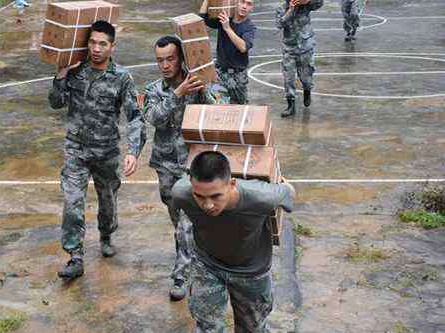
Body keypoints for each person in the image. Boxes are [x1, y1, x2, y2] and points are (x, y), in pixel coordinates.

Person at [48, 20, 146, 280]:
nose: (96, 48)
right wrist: (60, 75)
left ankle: (106, 234)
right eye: (92, 42)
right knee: (72, 202)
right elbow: (56, 103)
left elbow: (135, 116)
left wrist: (132, 151)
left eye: (102, 43)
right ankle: (75, 256)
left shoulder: (122, 78)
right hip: (76, 149)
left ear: (112, 47)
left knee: (108, 200)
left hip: (106, 152)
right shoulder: (75, 71)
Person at [172, 151, 296, 332]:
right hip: (208, 265)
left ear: (231, 184)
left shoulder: (261, 197)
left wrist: (284, 184)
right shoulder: (181, 193)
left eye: (216, 196)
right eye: (200, 196)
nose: (208, 205)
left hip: (251, 271)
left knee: (252, 328)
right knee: (207, 327)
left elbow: (289, 193)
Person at [143, 36, 217, 301]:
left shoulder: (196, 85)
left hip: (192, 166)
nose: (164, 65)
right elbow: (153, 119)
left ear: (181, 58)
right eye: (160, 60)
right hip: (165, 166)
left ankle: (181, 275)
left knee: (187, 225)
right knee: (179, 224)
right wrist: (177, 94)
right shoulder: (154, 89)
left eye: (170, 59)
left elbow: (216, 112)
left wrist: (203, 89)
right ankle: (189, 259)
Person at [199, 0, 257, 105]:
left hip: (238, 76)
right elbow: (202, 18)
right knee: (219, 106)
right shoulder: (225, 19)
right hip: (220, 74)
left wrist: (227, 28)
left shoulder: (249, 27)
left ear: (252, 8)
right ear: (236, 2)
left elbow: (243, 47)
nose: (244, 6)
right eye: (242, 2)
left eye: (249, 4)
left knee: (240, 108)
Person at [276, 0, 324, 118]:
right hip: (289, 48)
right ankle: (290, 104)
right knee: (289, 78)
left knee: (306, 78)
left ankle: (307, 90)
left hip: (305, 47)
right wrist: (290, 10)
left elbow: (320, 3)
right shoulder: (282, 8)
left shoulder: (307, 6)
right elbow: (279, 24)